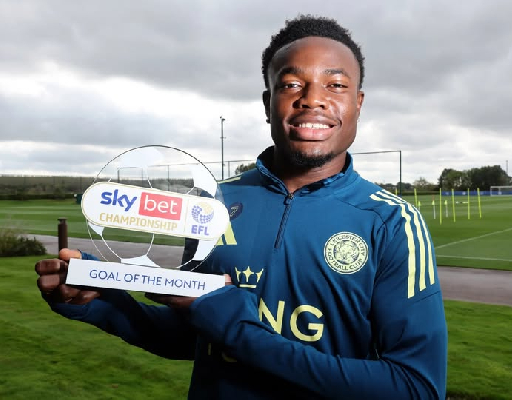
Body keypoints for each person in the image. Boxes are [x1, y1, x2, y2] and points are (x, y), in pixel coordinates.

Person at [36, 15, 448, 399]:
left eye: (335, 85)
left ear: (358, 103)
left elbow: (416, 386)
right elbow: (194, 334)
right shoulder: (212, 204)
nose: (312, 100)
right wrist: (103, 302)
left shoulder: (392, 221)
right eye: (292, 84)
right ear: (268, 103)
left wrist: (238, 329)